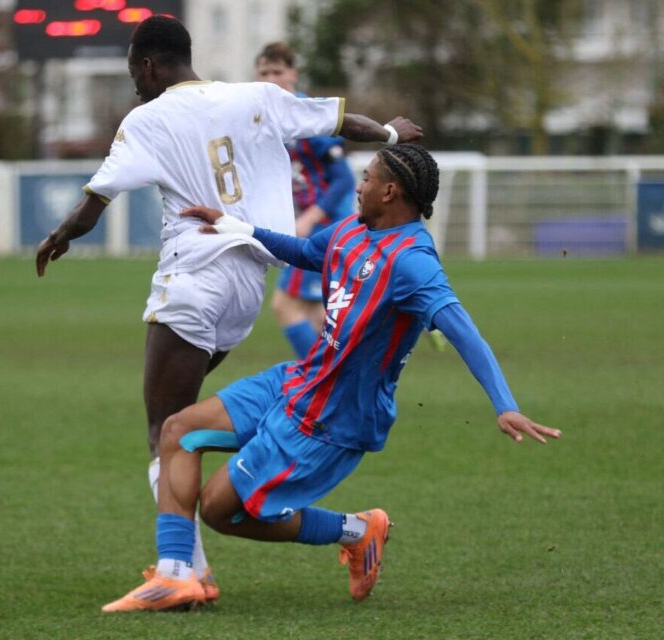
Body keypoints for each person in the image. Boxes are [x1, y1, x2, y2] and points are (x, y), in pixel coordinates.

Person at [34, 15, 423, 600]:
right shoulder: (260, 96)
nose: (135, 85)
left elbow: (96, 200)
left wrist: (58, 236)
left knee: (165, 429)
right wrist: (391, 137)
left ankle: (183, 573)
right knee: (182, 422)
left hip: (194, 275)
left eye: (133, 73)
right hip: (248, 283)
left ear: (147, 65)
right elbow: (347, 124)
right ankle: (328, 526)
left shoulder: (147, 118)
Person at [101, 144, 561, 612]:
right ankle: (176, 576)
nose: (358, 186)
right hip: (297, 381)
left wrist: (504, 404)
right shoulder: (352, 230)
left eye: (367, 178)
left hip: (332, 420)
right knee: (177, 431)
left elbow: (466, 333)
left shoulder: (413, 262)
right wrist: (236, 228)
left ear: (390, 190)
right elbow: (305, 251)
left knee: (220, 511)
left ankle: (358, 531)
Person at [255, 42, 357, 359]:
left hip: (325, 227)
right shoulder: (262, 119)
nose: (271, 79)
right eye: (264, 73)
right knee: (315, 314)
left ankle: (317, 381)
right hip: (315, 228)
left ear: (293, 74)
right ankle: (331, 383)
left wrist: (309, 218)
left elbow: (344, 179)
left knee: (285, 305)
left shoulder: (306, 115)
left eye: (278, 72)